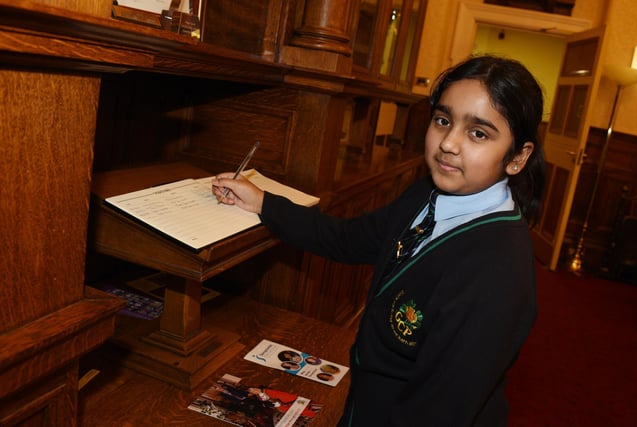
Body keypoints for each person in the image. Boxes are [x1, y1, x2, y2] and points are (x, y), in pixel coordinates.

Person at [212, 55, 545, 426]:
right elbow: (348, 239)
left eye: (478, 133)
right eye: (443, 120)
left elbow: (438, 411)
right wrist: (262, 203)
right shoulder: (426, 194)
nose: (449, 143)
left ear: (517, 157)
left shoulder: (497, 272)